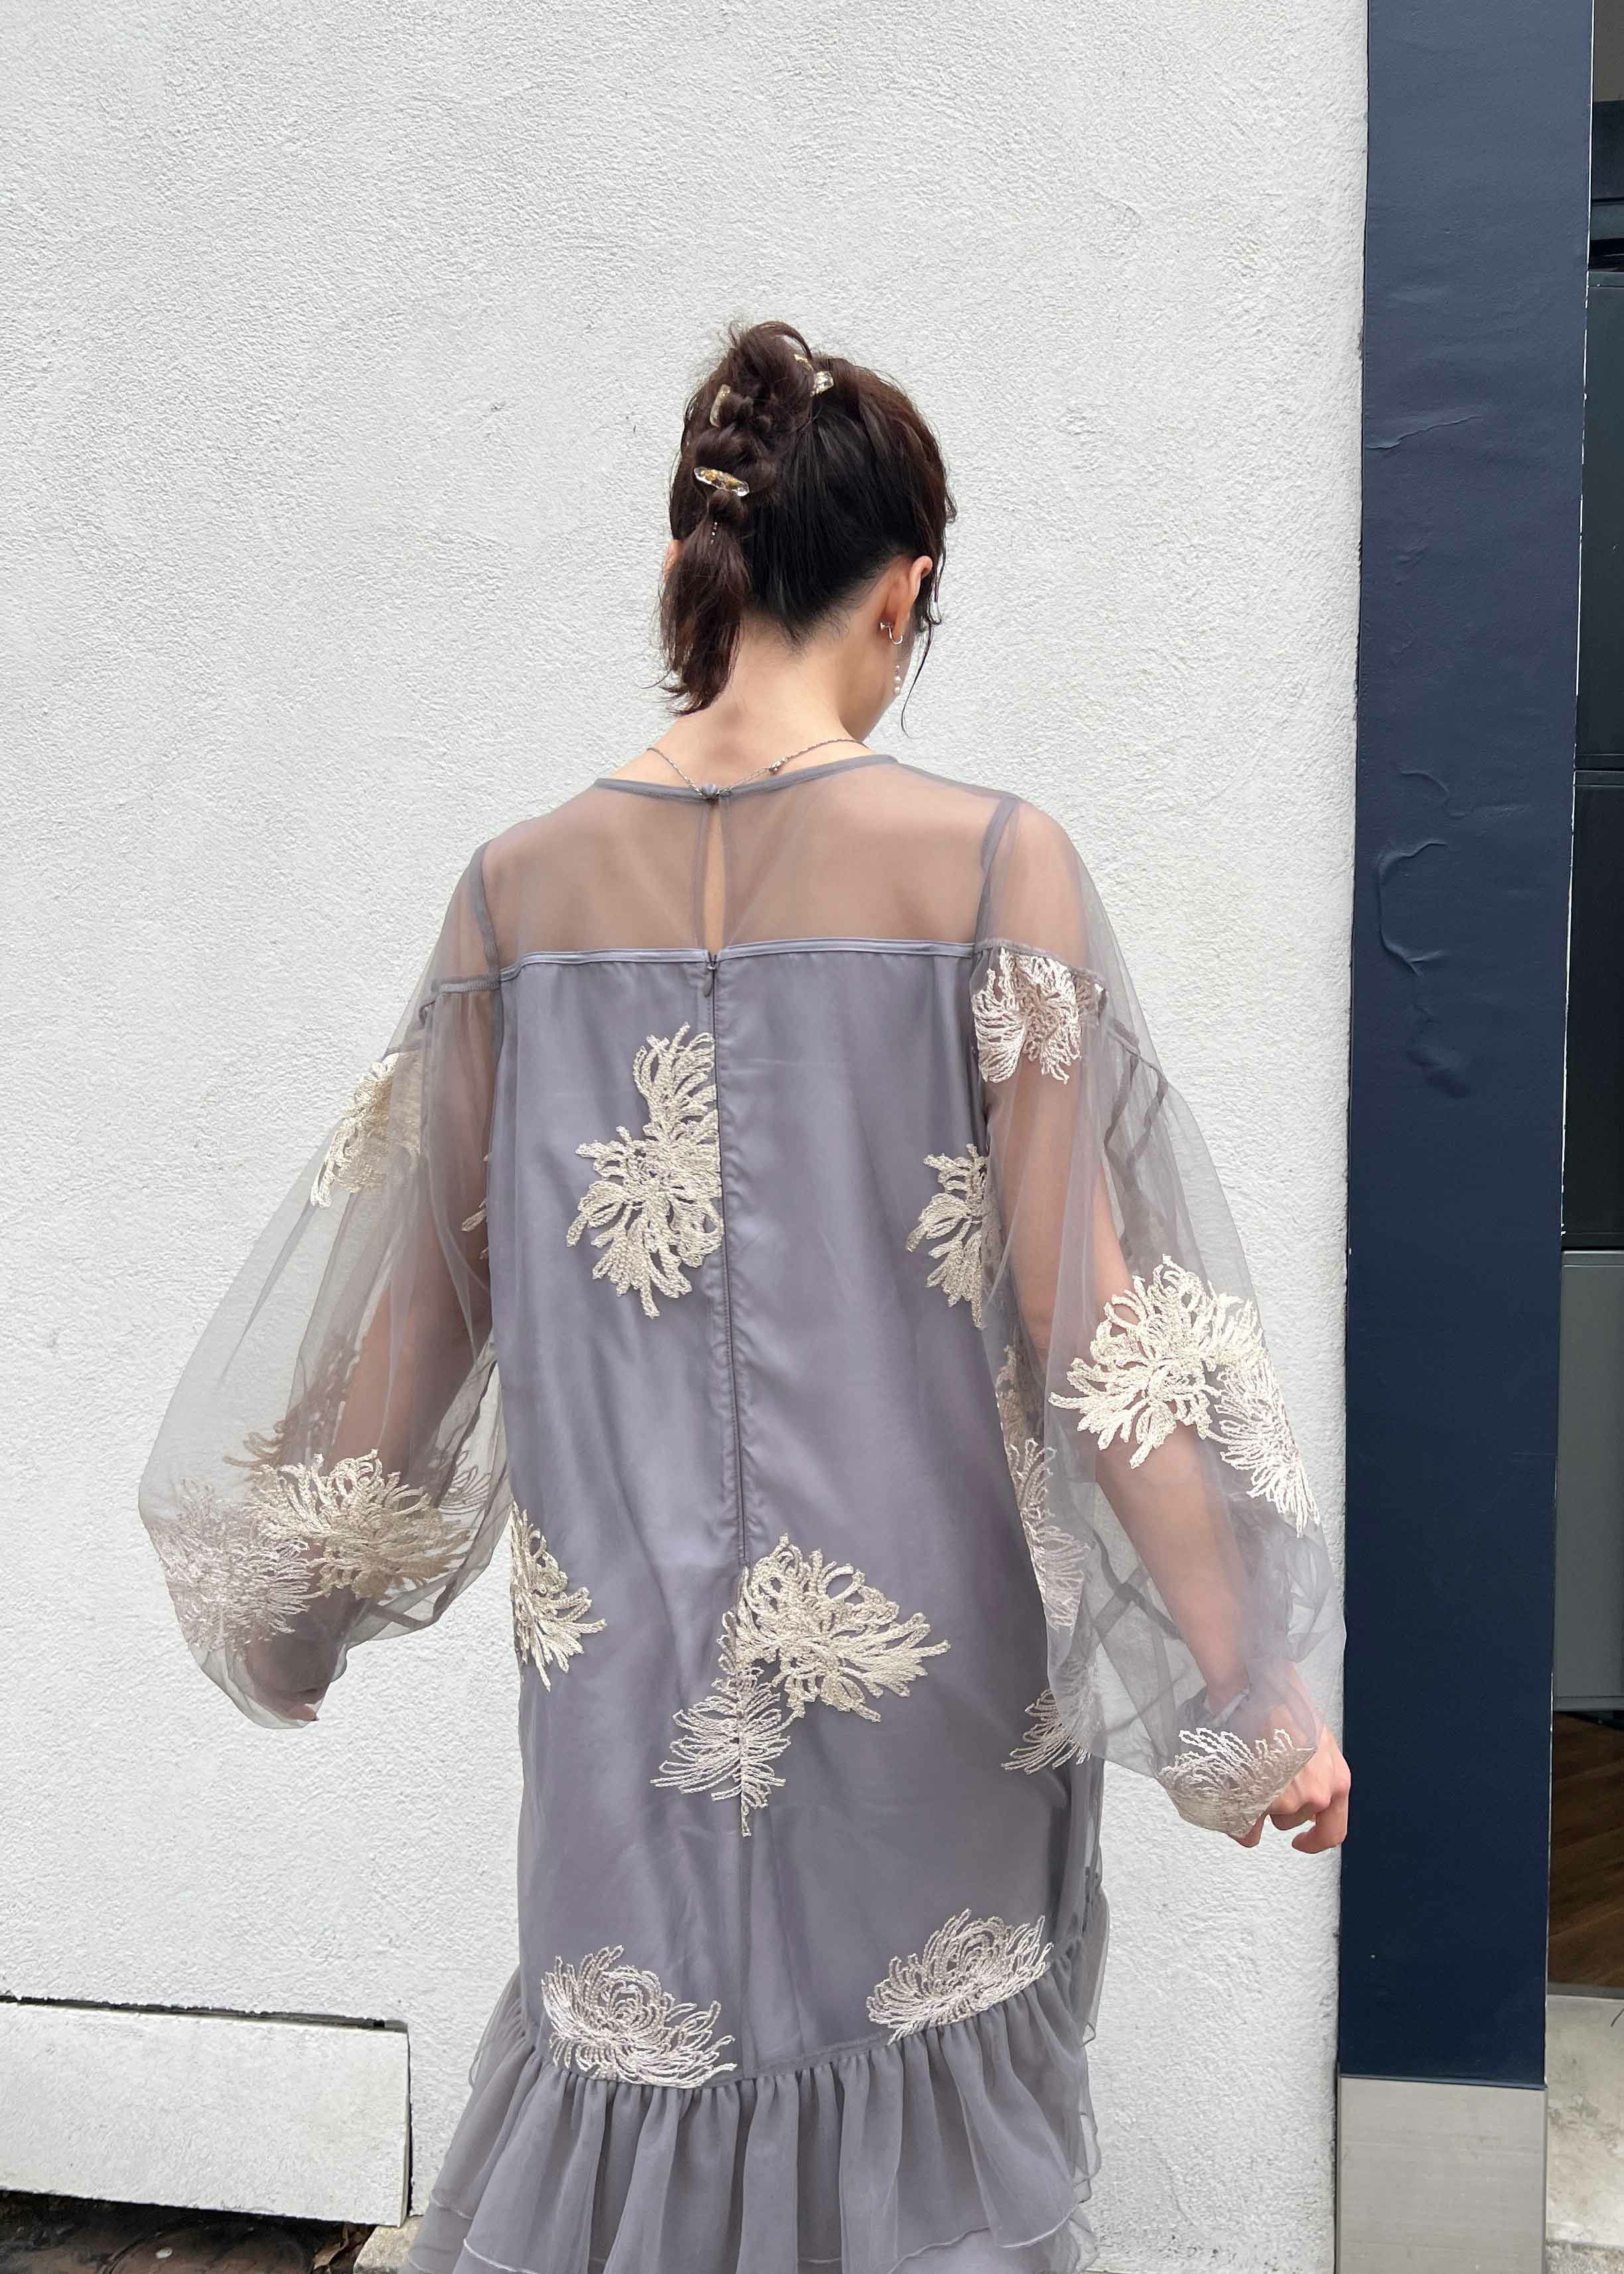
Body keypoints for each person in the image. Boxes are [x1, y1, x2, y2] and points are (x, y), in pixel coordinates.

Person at [140, 319, 1348, 2274]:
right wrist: (1253, 1682)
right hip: (929, 1696)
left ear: (695, 573)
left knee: (631, 2148)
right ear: (904, 592)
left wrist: (296, 1606)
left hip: (624, 1715)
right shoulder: (994, 870)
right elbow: (1099, 1336)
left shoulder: (515, 901)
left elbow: (416, 1332)